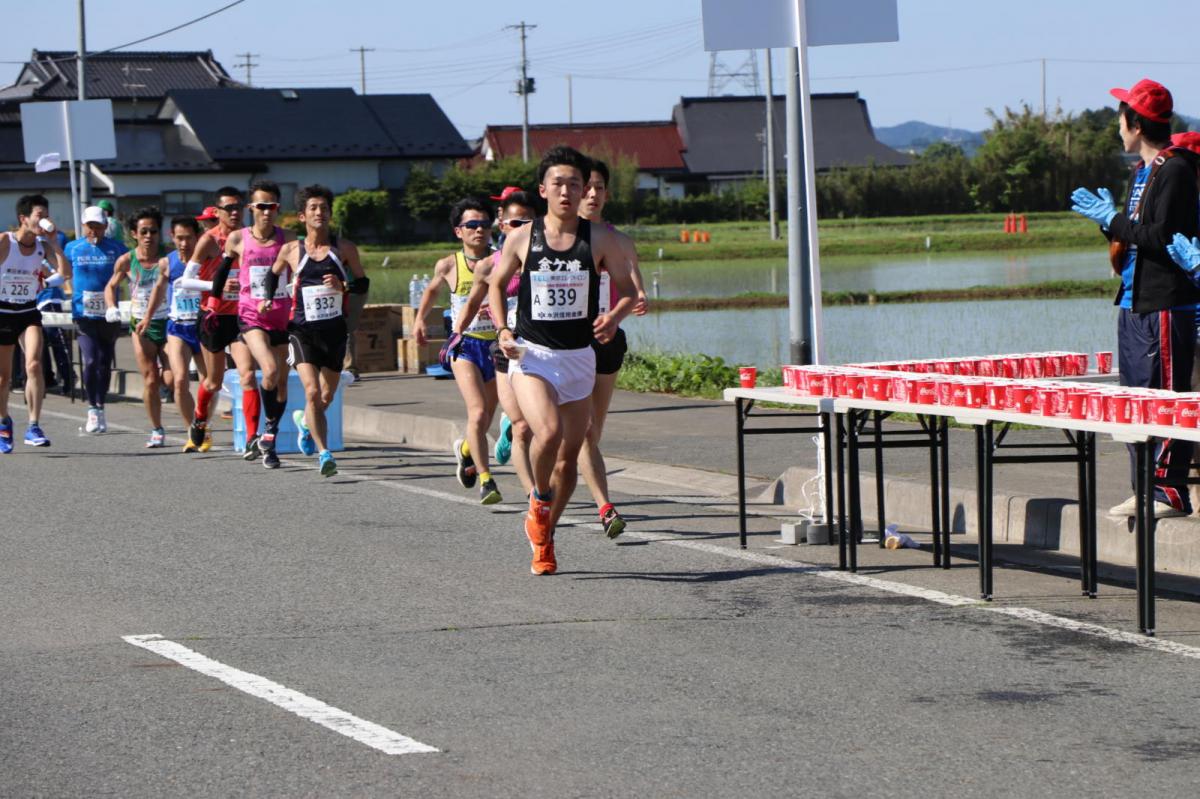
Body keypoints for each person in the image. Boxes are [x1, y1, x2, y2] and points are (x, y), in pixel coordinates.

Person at [489, 146, 637, 575]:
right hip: (532, 354)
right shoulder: (523, 237)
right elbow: (496, 285)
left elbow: (629, 291)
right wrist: (502, 331)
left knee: (569, 459)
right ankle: (538, 499)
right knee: (549, 432)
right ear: (543, 190)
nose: (568, 191)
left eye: (576, 183)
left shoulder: (601, 239)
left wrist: (614, 316)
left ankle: (545, 537)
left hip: (578, 358)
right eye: (559, 183)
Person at [1072, 78, 1200, 518]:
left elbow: (1162, 237)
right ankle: (1144, 487)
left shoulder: (1175, 170)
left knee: (1164, 395)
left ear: (1137, 124)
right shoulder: (1141, 172)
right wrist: (1109, 224)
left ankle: (1170, 490)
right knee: (1134, 399)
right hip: (1132, 300)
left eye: (1120, 119)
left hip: (1164, 302)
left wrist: (1114, 220)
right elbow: (1134, 236)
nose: (1117, 127)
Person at [267, 185, 368, 477]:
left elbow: (362, 283)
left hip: (334, 332)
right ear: (302, 216)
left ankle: (304, 424)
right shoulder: (291, 250)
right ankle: (325, 454)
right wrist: (267, 299)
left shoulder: (344, 248)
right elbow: (273, 274)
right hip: (301, 331)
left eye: (324, 208)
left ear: (330, 214)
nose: (319, 212)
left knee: (325, 397)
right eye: (313, 208)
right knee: (311, 391)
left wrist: (343, 286)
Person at [414, 197, 504, 504]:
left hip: (496, 345)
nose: (479, 230)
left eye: (485, 224)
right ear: (458, 231)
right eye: (472, 225)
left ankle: (465, 449)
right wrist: (420, 320)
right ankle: (486, 480)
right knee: (477, 412)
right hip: (465, 345)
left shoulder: (502, 261)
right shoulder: (449, 264)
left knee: (487, 415)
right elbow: (431, 290)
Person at [577, 159, 649, 538]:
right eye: (586, 187)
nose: (593, 194)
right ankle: (605, 507)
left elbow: (634, 282)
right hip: (568, 344)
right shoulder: (557, 241)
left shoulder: (619, 241)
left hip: (607, 341)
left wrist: (640, 297)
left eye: (600, 187)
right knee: (585, 431)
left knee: (593, 432)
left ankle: (566, 464)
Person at [453, 189, 538, 498]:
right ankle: (496, 483)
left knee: (542, 426)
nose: (521, 228)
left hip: (540, 350)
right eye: (514, 223)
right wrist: (455, 335)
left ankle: (497, 439)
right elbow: (470, 304)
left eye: (527, 223)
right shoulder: (488, 265)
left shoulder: (546, 262)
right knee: (493, 417)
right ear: (502, 225)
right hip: (492, 348)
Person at [210, 181, 295, 469]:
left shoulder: (288, 239)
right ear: (251, 208)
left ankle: (269, 437)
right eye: (261, 206)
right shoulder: (238, 238)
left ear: (278, 208)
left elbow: (299, 272)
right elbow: (221, 272)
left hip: (282, 317)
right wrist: (214, 303)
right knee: (268, 370)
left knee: (280, 383)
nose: (266, 211)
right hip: (251, 316)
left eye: (271, 206)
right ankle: (264, 433)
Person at [0, 195, 70, 451]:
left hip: (29, 311)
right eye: (39, 216)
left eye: (46, 215)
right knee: (3, 378)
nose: (44, 220)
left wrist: (55, 244)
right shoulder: (5, 241)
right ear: (24, 218)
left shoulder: (43, 245)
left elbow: (66, 274)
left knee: (34, 364)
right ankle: (4, 421)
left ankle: (33, 425)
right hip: (3, 311)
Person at [186, 187, 251, 455]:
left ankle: (253, 437)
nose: (235, 213)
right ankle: (200, 419)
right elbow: (186, 282)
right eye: (229, 208)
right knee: (213, 381)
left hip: (241, 316)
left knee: (248, 374)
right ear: (218, 211)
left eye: (238, 207)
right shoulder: (209, 241)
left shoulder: (249, 238)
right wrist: (217, 286)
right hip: (213, 316)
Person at [141, 214, 208, 449]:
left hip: (203, 327)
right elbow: (159, 289)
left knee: (209, 382)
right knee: (179, 381)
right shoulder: (167, 263)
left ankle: (203, 423)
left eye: (188, 238)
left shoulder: (206, 260)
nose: (184, 243)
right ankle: (194, 432)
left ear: (197, 237)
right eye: (179, 238)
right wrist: (147, 317)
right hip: (177, 328)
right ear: (172, 237)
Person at [105, 207, 170, 447]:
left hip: (167, 322)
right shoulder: (127, 260)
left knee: (173, 379)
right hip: (141, 326)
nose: (149, 236)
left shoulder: (168, 258)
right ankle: (157, 429)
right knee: (150, 380)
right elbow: (110, 286)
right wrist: (111, 307)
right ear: (134, 234)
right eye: (144, 232)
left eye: (153, 231)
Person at [65, 205, 128, 433]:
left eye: (98, 226)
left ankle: (100, 405)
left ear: (105, 226)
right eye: (90, 226)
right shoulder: (73, 248)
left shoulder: (117, 248)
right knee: (90, 359)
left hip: (109, 312)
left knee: (104, 360)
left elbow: (131, 269)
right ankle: (92, 407)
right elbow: (61, 270)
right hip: (83, 313)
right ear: (83, 225)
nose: (94, 230)